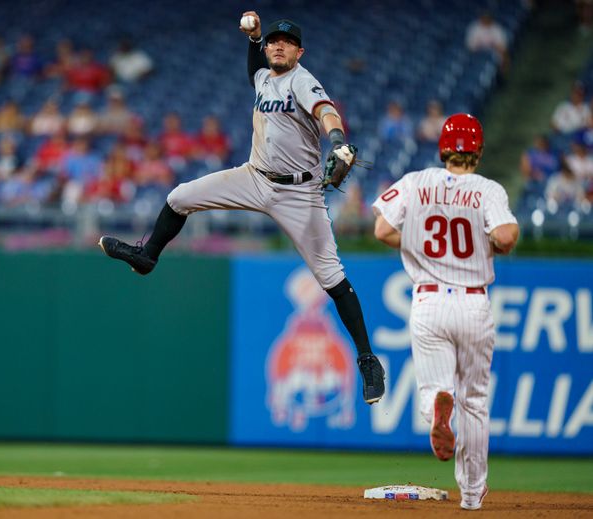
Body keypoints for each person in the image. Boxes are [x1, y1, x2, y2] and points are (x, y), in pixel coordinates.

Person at [98, 12, 385, 405]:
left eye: (286, 41)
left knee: (331, 277)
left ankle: (368, 359)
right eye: (273, 41)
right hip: (254, 176)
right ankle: (148, 256)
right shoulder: (265, 76)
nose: (278, 45)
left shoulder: (303, 80)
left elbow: (326, 113)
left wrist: (337, 140)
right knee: (179, 197)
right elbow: (255, 71)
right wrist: (252, 41)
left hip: (299, 194)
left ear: (299, 51)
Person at [372, 113, 519, 511]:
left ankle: (437, 403)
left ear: (443, 148)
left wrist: (417, 245)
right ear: (479, 151)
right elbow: (505, 235)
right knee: (475, 400)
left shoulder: (417, 181)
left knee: (434, 387)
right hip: (473, 301)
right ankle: (471, 495)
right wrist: (488, 242)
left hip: (429, 299)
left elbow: (382, 230)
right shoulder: (487, 190)